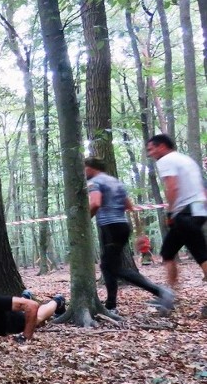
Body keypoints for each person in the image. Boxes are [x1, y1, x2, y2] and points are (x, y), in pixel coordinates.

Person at [84, 157, 174, 316]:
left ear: (91, 168)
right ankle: (111, 305)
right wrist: (139, 232)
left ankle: (161, 292)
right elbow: (130, 207)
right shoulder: (115, 181)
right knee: (108, 266)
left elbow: (95, 203)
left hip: (110, 227)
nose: (84, 172)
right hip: (122, 226)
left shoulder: (95, 182)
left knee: (113, 267)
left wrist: (85, 221)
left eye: (84, 168)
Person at [145, 134, 207, 287]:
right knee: (167, 252)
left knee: (201, 255)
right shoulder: (186, 159)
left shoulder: (166, 160)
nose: (150, 153)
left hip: (185, 213)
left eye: (151, 149)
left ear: (162, 147)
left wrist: (170, 212)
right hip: (198, 210)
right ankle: (170, 295)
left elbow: (172, 187)